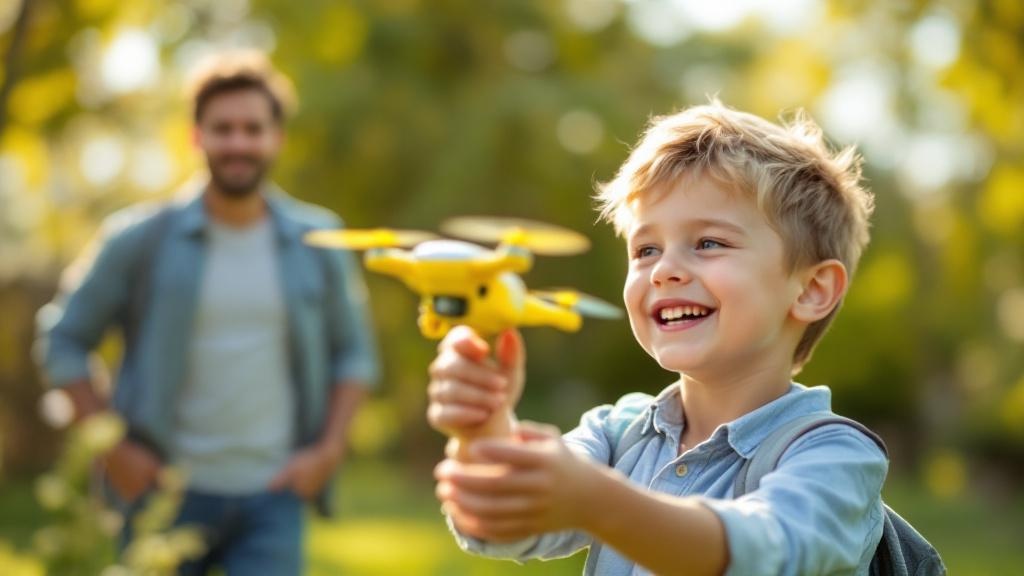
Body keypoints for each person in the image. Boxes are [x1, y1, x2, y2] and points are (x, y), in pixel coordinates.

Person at [426, 101, 886, 575]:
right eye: (646, 249)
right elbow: (509, 526)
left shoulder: (835, 454)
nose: (664, 270)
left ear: (812, 290)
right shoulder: (616, 433)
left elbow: (766, 553)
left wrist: (598, 501)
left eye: (709, 243)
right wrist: (483, 426)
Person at [35, 50, 379, 575]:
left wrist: (328, 452)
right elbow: (63, 340)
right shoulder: (138, 239)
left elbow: (354, 354)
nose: (238, 143)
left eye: (252, 129)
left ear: (276, 138)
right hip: (162, 495)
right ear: (196, 137)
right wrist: (114, 451)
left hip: (275, 496)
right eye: (223, 129)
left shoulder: (319, 241)